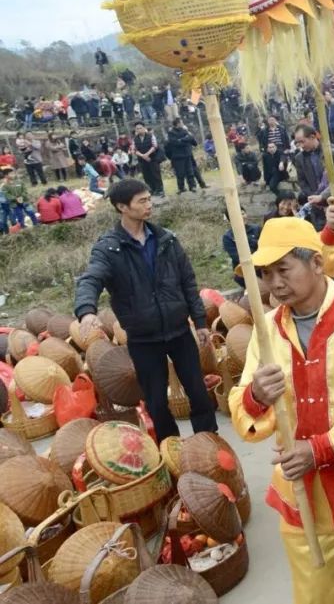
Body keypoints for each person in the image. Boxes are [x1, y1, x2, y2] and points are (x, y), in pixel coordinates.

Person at [229, 218, 334, 604]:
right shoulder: (267, 327)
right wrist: (256, 395)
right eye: (266, 274)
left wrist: (320, 449)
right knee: (316, 597)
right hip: (302, 499)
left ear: (317, 264)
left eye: (283, 269)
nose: (274, 284)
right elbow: (242, 405)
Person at [74, 179, 217, 440]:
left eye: (149, 199)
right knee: (156, 400)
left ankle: (208, 441)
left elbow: (188, 281)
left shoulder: (166, 240)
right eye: (142, 201)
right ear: (122, 207)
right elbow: (91, 278)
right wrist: (87, 311)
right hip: (143, 338)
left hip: (178, 331)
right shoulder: (109, 249)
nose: (149, 205)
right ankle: (170, 446)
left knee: (197, 390)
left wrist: (200, 322)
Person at [221, 209, 260, 286]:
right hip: (244, 270)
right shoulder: (228, 237)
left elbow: (264, 248)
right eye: (237, 216)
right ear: (230, 220)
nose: (242, 217)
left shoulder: (256, 229)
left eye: (243, 213)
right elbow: (238, 257)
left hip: (262, 265)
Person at [132, 122, 164, 197]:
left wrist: (147, 154)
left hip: (152, 158)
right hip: (142, 160)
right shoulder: (135, 139)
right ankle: (151, 190)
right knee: (147, 176)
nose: (139, 130)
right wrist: (142, 155)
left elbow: (154, 146)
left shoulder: (150, 136)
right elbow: (134, 150)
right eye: (137, 129)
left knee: (156, 174)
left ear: (144, 128)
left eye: (140, 128)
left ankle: (160, 190)